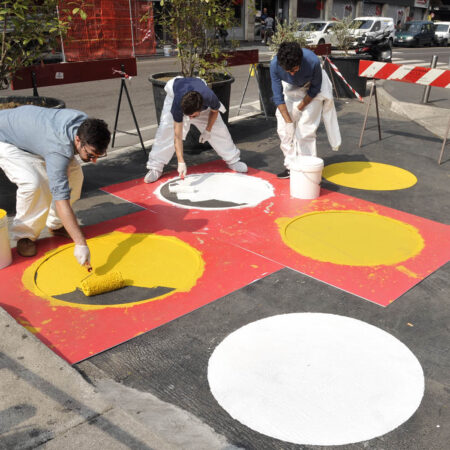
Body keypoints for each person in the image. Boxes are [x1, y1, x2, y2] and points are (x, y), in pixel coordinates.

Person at [0, 106, 111, 264]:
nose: (94, 160)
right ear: (78, 140)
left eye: (99, 155)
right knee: (34, 183)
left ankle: (56, 224)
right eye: (91, 155)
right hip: (7, 140)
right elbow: (61, 200)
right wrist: (80, 244)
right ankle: (24, 236)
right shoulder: (58, 148)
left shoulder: (85, 125)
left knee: (75, 177)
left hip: (36, 137)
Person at [144, 77, 247, 183]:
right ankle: (155, 168)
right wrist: (181, 161)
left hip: (198, 94)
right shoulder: (177, 106)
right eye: (188, 116)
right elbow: (177, 136)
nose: (190, 119)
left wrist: (208, 130)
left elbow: (215, 112)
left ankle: (233, 160)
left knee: (219, 129)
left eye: (193, 116)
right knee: (165, 131)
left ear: (201, 108)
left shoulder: (210, 97)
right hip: (175, 93)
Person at [270, 41, 341, 178]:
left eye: (294, 70)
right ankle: (291, 166)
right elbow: (278, 97)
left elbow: (315, 89)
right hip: (291, 87)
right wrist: (288, 121)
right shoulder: (275, 65)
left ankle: (307, 169)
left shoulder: (312, 61)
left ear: (300, 62)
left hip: (312, 88)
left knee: (304, 130)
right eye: (288, 71)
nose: (291, 73)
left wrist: (299, 108)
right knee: (284, 131)